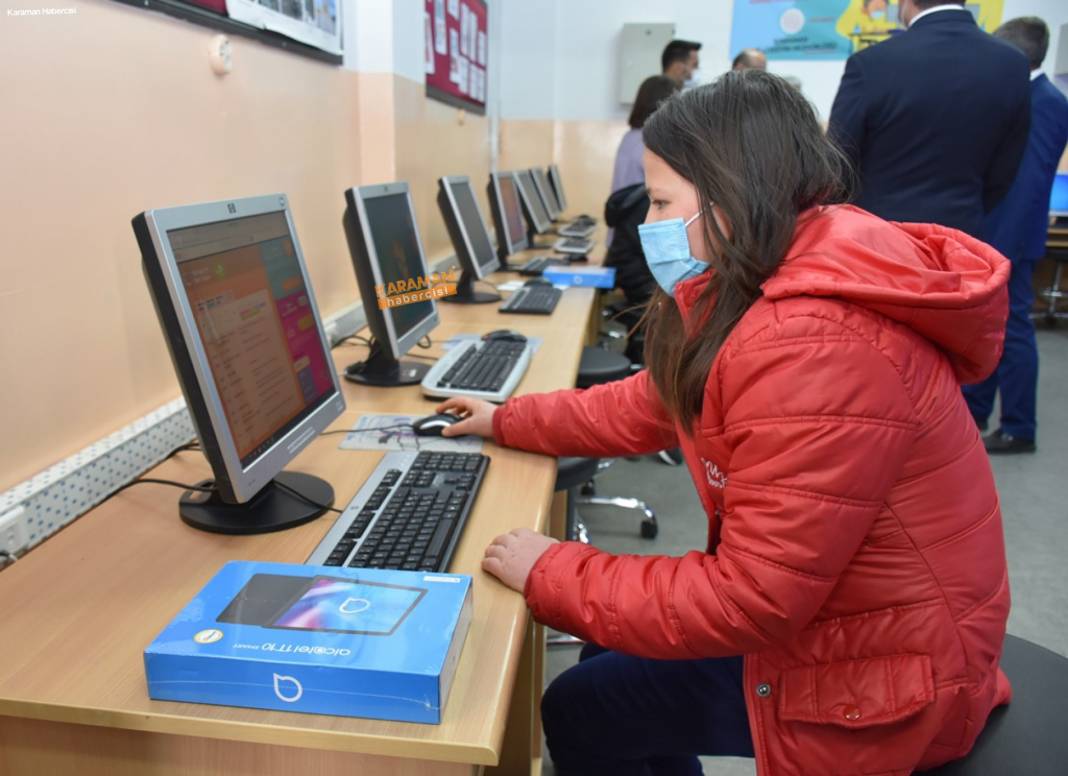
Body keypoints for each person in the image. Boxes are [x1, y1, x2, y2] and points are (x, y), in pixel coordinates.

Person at [439, 71, 1011, 775]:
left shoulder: (813, 343)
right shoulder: (767, 282)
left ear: (731, 198)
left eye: (659, 201)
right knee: (605, 651)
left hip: (885, 675)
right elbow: (647, 404)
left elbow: (752, 600)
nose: (646, 225)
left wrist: (552, 569)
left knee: (582, 703)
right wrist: (507, 419)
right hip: (850, 624)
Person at [828, 0, 1031, 237]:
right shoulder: (1012, 64)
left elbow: (838, 162)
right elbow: (1006, 166)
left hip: (878, 238)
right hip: (960, 235)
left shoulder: (870, 63)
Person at [963, 17, 1068, 454]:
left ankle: (1019, 426)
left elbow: (1025, 183)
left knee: (1015, 329)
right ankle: (975, 417)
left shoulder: (1042, 101)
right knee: (992, 329)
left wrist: (995, 243)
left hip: (1009, 236)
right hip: (1003, 233)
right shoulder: (1028, 97)